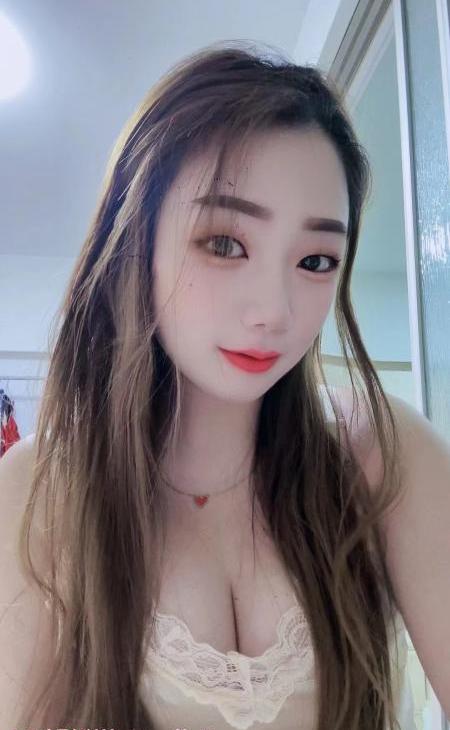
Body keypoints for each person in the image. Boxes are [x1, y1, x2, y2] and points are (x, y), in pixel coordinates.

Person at [5, 39, 447, 730]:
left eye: (315, 260)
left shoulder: (382, 457)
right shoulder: (43, 489)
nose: (274, 310)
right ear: (138, 240)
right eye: (224, 243)